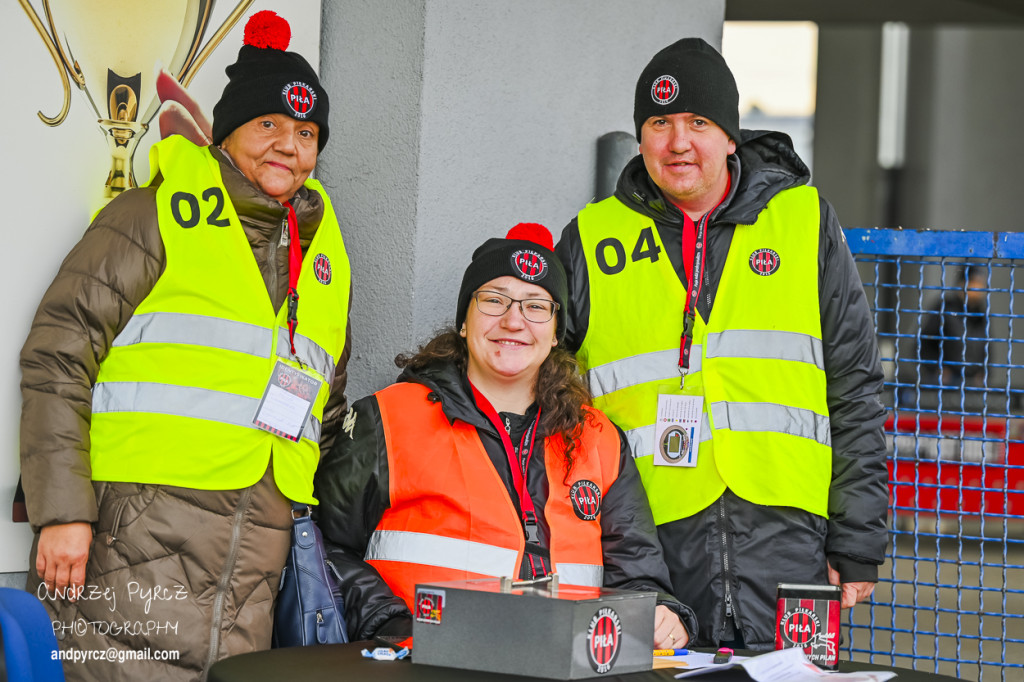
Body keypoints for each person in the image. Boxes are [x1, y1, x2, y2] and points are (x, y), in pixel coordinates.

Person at [19, 11, 351, 681]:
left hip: (252, 561)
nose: (289, 146)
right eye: (269, 126)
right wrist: (61, 512)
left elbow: (326, 403)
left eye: (306, 133)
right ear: (226, 133)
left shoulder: (325, 260)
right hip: (130, 546)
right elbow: (59, 354)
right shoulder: (151, 215)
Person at [555, 38, 888, 650]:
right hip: (648, 543)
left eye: (698, 123)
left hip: (790, 538)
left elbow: (854, 388)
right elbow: (545, 392)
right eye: (660, 123)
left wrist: (858, 537)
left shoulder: (804, 221)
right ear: (640, 137)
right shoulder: (591, 239)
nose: (678, 142)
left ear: (730, 137)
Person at [314, 223, 697, 648]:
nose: (514, 321)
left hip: (563, 666)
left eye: (536, 306)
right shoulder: (387, 417)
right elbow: (323, 545)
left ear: (555, 334)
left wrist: (664, 613)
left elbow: (637, 574)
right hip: (426, 666)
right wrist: (393, 623)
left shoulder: (598, 438)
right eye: (494, 300)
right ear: (465, 321)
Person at [919, 265, 989, 389]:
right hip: (946, 383)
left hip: (971, 384)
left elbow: (988, 346)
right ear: (963, 283)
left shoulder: (981, 314)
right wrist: (937, 368)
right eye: (975, 282)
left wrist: (984, 371)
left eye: (981, 283)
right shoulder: (945, 308)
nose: (979, 288)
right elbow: (923, 344)